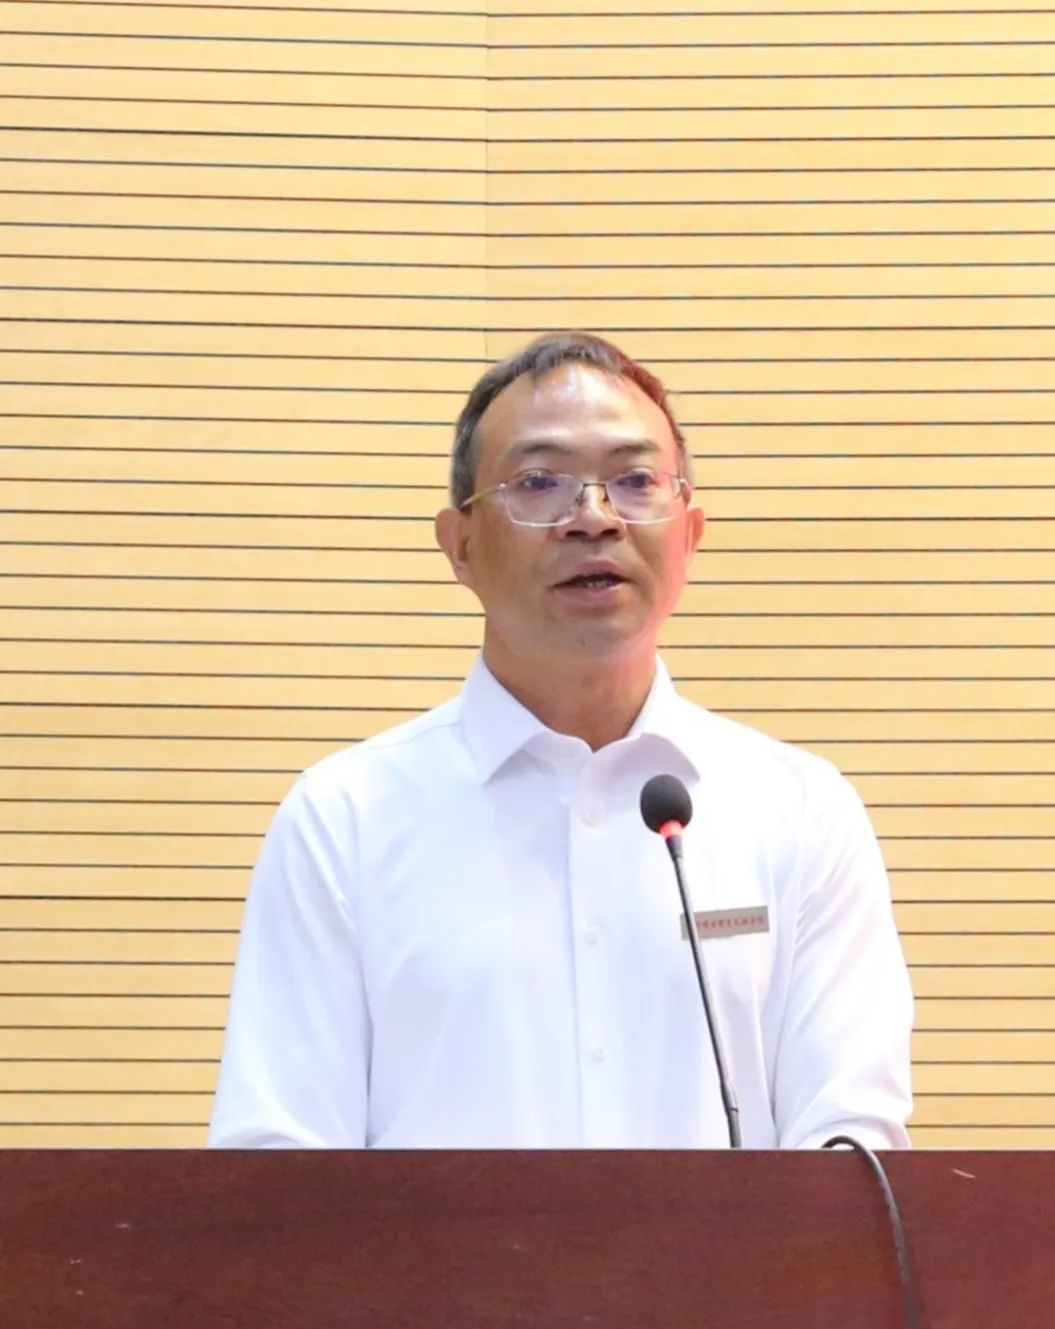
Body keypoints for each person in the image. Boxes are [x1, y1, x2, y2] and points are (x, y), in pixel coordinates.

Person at [209, 332, 913, 1150]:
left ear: (690, 533)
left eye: (635, 480)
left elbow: (851, 1151)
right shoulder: (345, 820)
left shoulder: (800, 813)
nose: (594, 518)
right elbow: (280, 1159)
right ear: (460, 544)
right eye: (539, 483)